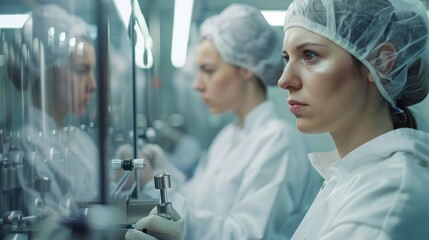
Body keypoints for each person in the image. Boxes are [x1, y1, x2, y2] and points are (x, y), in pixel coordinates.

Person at [126, 4, 321, 240]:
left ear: (247, 66)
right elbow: (194, 198)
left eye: (208, 70)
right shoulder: (230, 135)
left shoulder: (278, 141)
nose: (197, 84)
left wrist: (150, 185)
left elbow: (245, 235)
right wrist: (158, 170)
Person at [278, 0, 429, 239]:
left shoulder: (387, 195)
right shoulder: (349, 177)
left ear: (382, 62)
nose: (285, 80)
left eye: (309, 55)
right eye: (287, 58)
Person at [4, 4, 99, 215]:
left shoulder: (78, 139)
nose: (92, 85)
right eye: (82, 70)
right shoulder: (26, 146)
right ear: (48, 72)